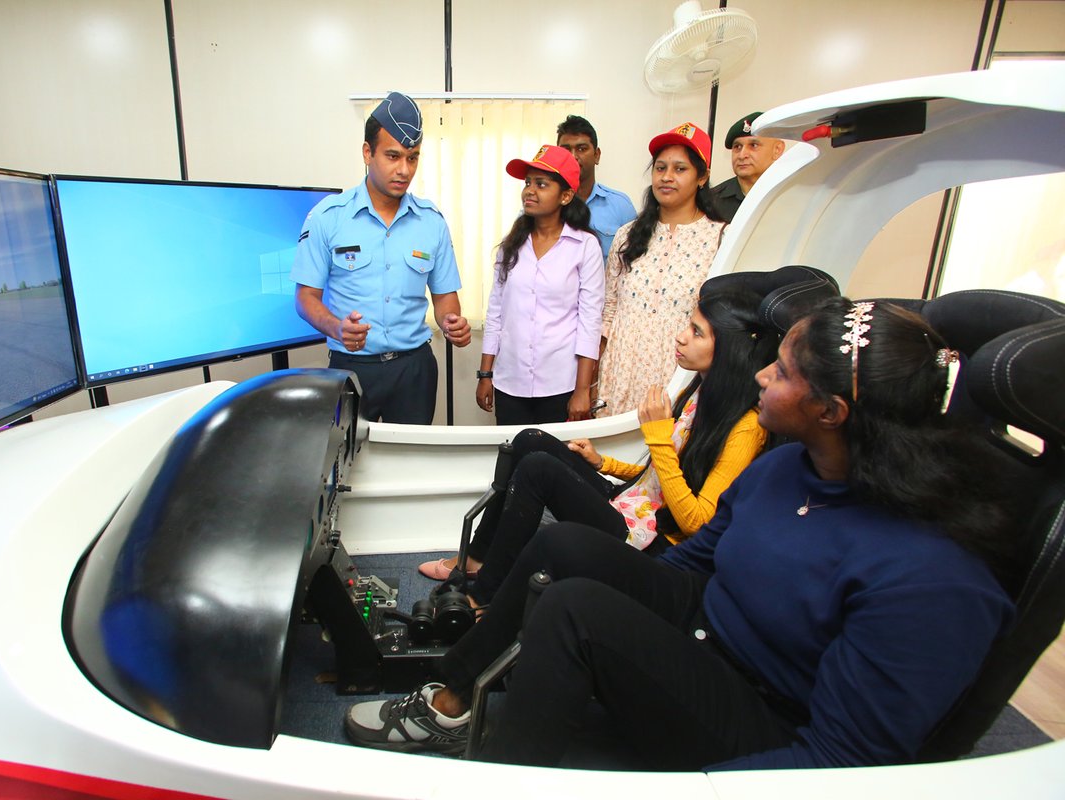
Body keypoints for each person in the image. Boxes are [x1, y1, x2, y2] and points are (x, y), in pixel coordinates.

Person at [348, 297, 1017, 771]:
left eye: (781, 371)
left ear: (830, 410)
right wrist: (624, 601)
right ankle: (451, 695)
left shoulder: (930, 579)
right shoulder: (789, 464)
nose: (759, 374)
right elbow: (694, 563)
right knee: (564, 549)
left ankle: (502, 780)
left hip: (763, 716)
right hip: (708, 626)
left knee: (576, 608)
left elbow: (841, 764)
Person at [421, 285, 776, 607]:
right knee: (530, 440)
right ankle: (478, 557)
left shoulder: (745, 426)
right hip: (635, 505)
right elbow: (659, 477)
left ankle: (483, 598)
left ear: (731, 348)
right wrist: (603, 462)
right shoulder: (702, 391)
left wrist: (657, 437)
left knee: (538, 470)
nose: (681, 337)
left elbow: (698, 522)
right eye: (688, 325)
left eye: (697, 333)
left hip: (651, 540)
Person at [290, 91, 471, 424]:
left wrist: (452, 324)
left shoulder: (431, 222)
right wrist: (336, 326)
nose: (404, 170)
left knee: (412, 465)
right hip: (353, 367)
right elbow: (305, 299)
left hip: (414, 369)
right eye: (393, 156)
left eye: (413, 158)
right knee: (348, 467)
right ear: (367, 153)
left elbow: (446, 299)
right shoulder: (328, 218)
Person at [596, 122, 726, 416]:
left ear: (702, 177)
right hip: (622, 372)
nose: (667, 177)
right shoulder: (627, 235)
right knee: (611, 459)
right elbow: (610, 307)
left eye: (680, 169)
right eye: (660, 167)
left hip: (678, 373)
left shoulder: (720, 238)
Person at [475, 144, 604, 426]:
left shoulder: (585, 246)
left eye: (542, 184)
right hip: (510, 383)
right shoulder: (510, 246)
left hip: (560, 384)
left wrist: (583, 390)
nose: (530, 190)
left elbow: (590, 322)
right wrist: (486, 375)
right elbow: (496, 314)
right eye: (528, 183)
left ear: (566, 195)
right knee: (513, 463)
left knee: (554, 466)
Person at [555, 115, 637, 264]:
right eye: (566, 150)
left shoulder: (620, 206)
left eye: (581, 149)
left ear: (596, 155)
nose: (573, 156)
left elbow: (636, 262)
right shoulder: (545, 205)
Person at [709, 112, 787, 223]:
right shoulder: (712, 202)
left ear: (777, 149)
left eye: (754, 145)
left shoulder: (792, 195)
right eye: (737, 147)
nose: (742, 155)